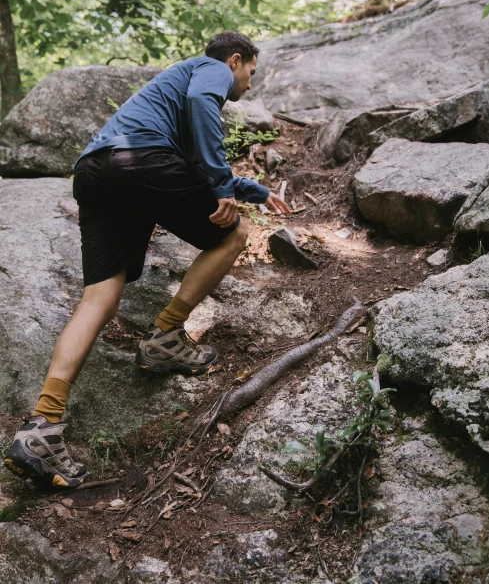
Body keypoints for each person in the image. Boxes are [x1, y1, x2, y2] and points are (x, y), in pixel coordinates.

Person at [4, 31, 290, 489]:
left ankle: (42, 426)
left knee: (101, 294)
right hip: (139, 159)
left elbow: (190, 170)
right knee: (235, 232)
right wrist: (222, 186)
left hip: (96, 169)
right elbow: (200, 118)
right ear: (235, 60)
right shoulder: (210, 70)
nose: (249, 85)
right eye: (250, 73)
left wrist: (254, 190)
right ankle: (166, 335)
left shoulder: (172, 95)